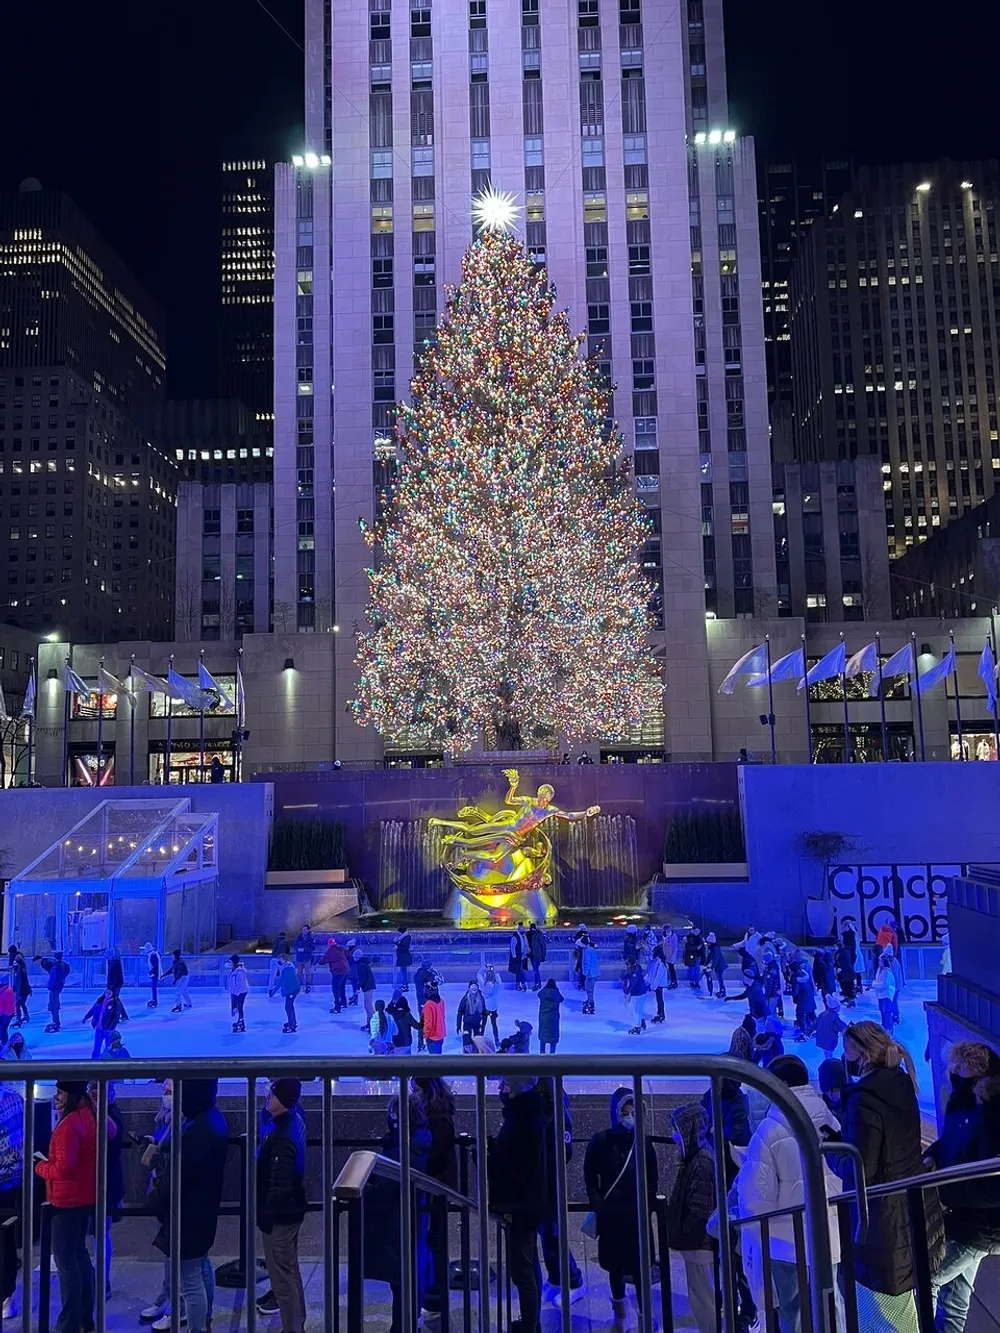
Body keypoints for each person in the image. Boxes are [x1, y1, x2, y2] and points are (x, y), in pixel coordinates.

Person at [836, 1020, 943, 1331]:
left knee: (885, 1316)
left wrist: (829, 1153)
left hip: (882, 1225)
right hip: (914, 1209)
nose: (846, 1059)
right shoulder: (901, 1082)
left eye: (848, 1052)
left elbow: (861, 1173)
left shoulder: (863, 1099)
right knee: (914, 1302)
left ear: (863, 1056)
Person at [735, 1055, 844, 1333]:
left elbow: (755, 1198)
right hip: (830, 1239)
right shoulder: (831, 1119)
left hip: (788, 1244)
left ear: (781, 1085)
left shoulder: (769, 1130)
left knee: (794, 1315)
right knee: (829, 1309)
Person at [926, 1041, 1000, 1333]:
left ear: (980, 1070)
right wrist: (933, 1152)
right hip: (965, 1215)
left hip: (984, 1223)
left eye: (962, 1065)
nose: (954, 1071)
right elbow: (955, 1141)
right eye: (954, 1065)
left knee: (927, 1280)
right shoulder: (961, 1100)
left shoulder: (993, 1106)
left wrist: (950, 1192)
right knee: (955, 1295)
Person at [35, 1081, 117, 1333]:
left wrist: (39, 1166)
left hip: (67, 1200)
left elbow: (64, 1168)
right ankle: (84, 1316)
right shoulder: (88, 1114)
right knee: (79, 1255)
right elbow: (111, 1131)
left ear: (71, 1095)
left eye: (60, 1093)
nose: (56, 1097)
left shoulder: (70, 1125)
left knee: (65, 1260)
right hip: (84, 1197)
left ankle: (68, 1323)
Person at [150, 1080, 228, 1333]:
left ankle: (198, 1327)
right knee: (201, 1266)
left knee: (190, 1280)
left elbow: (178, 1178)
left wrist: (157, 1187)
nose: (179, 1100)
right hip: (201, 1211)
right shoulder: (210, 1117)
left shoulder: (198, 1130)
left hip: (189, 1215)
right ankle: (204, 1322)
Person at [584, 1088, 658, 1325]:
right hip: (612, 1216)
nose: (629, 1117)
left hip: (636, 1216)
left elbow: (652, 1178)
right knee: (615, 1267)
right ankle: (620, 1312)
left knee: (640, 1269)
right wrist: (598, 1204)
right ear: (615, 1113)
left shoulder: (644, 1143)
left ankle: (644, 1315)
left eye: (633, 1112)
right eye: (624, 1112)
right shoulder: (600, 1141)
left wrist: (646, 1203)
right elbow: (590, 1177)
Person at [364, 1095, 432, 1332]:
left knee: (402, 1281)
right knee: (406, 1280)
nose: (389, 1117)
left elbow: (384, 1191)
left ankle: (403, 1327)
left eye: (393, 1113)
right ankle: (408, 1323)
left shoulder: (401, 1151)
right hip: (409, 1222)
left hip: (398, 1225)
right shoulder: (415, 1142)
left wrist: (364, 1189)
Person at [488, 1077, 548, 1333]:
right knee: (529, 1264)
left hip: (520, 1206)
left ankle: (529, 1326)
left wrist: (489, 1158)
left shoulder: (521, 1121)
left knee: (522, 1272)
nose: (502, 1089)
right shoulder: (529, 1114)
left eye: (506, 1085)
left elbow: (514, 1169)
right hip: (528, 1203)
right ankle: (531, 1323)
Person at [255, 1078, 308, 1332]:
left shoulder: (282, 1137)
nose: (267, 1096)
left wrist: (267, 1215)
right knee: (290, 1270)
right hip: (288, 1213)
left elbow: (279, 1184)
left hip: (279, 1218)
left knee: (282, 1279)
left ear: (283, 1100)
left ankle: (292, 1328)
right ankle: (297, 1323)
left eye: (272, 1094)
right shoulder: (292, 1122)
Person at [666, 1103, 717, 1333]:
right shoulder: (697, 1157)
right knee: (701, 1299)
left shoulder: (702, 1162)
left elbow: (700, 1212)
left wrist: (683, 1237)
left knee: (704, 1302)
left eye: (676, 1129)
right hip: (696, 1245)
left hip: (699, 1246)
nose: (673, 1135)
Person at [411, 1077, 457, 1327]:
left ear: (425, 1090)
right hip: (430, 1187)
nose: (412, 1094)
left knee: (433, 1243)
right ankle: (429, 1296)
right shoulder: (432, 1115)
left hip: (434, 1189)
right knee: (429, 1242)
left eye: (414, 1089)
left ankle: (434, 1299)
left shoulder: (439, 1120)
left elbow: (434, 1155)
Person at [537, 1079, 586, 1307]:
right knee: (545, 1231)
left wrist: (545, 1167)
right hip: (541, 1179)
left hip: (549, 1180)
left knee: (553, 1232)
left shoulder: (556, 1106)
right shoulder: (543, 1103)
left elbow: (565, 1149)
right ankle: (556, 1277)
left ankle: (574, 1280)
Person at [86, 1078, 125, 1301]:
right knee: (94, 1236)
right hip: (91, 1186)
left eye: (98, 1088)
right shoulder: (89, 1111)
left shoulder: (113, 1115)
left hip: (106, 1187)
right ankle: (98, 1279)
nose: (94, 1091)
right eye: (91, 1087)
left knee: (101, 1235)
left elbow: (112, 1139)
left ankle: (103, 1281)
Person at [0, 1078, 23, 1318]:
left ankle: (5, 1295)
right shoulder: (15, 1096)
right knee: (5, 1239)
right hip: (13, 1179)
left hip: (4, 1178)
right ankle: (7, 1296)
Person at [83, 987, 124, 1060]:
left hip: (107, 1029)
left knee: (108, 1046)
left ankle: (107, 1060)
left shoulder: (115, 1004)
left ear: (113, 994)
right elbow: (93, 1010)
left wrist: (111, 1027)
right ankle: (94, 1061)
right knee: (97, 1046)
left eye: (110, 993)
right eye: (107, 992)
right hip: (98, 1028)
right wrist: (86, 1017)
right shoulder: (100, 1001)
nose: (108, 994)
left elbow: (116, 1017)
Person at [36, 951, 70, 1032]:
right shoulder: (57, 965)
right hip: (54, 987)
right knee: (53, 1004)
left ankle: (56, 1022)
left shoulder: (55, 965)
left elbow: (57, 978)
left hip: (55, 987)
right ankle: (55, 1021)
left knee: (53, 1005)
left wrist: (52, 985)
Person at [321, 936, 350, 1013]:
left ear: (329, 944)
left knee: (335, 989)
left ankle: (337, 1007)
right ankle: (343, 1003)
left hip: (338, 972)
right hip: (346, 970)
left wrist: (317, 963)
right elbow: (348, 955)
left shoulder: (331, 951)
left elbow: (323, 961)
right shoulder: (341, 948)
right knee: (342, 987)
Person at [476, 962, 502, 1044]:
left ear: (486, 976)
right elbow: (499, 981)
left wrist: (485, 967)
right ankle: (497, 1040)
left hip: (485, 1009)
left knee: (483, 1025)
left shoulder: (483, 985)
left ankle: (480, 1040)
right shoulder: (497, 987)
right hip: (493, 1009)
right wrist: (495, 972)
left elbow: (479, 974)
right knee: (494, 1025)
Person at [873, 950, 898, 1034]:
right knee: (883, 1014)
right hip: (881, 995)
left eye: (880, 961)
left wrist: (874, 984)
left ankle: (889, 1031)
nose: (879, 962)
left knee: (886, 1014)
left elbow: (884, 984)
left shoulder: (887, 971)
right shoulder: (881, 970)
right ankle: (885, 1030)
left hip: (886, 995)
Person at [814, 993, 846, 1058]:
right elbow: (841, 1026)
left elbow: (814, 1024)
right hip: (829, 1041)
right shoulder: (834, 1017)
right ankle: (830, 1064)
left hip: (821, 1039)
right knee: (829, 1054)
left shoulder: (822, 1014)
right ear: (835, 1008)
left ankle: (828, 1061)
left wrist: (807, 1033)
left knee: (826, 1053)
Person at [791, 960, 817, 1040]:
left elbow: (795, 991)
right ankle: (819, 1028)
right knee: (811, 1014)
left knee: (799, 1015)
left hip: (802, 999)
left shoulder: (795, 977)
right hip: (810, 997)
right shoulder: (805, 974)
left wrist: (791, 993)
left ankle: (804, 1032)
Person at [537, 978, 564, 1053]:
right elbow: (562, 999)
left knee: (543, 1037)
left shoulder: (543, 993)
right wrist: (557, 990)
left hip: (543, 1018)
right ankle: (552, 1055)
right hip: (553, 1019)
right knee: (553, 1038)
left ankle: (542, 1054)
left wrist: (545, 987)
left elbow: (539, 994)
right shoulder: (556, 993)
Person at [456, 980, 486, 1049]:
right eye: (472, 986)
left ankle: (477, 1056)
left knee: (478, 1043)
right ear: (469, 988)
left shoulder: (481, 998)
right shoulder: (465, 998)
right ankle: (466, 1056)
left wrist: (483, 1025)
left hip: (477, 1023)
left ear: (478, 987)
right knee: (466, 1042)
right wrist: (458, 1025)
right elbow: (460, 1012)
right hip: (467, 1023)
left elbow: (484, 1012)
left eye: (475, 986)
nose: (474, 987)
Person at [225, 953, 250, 1033]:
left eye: (230, 962)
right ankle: (240, 1021)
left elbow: (240, 984)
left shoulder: (240, 972)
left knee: (239, 1007)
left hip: (241, 992)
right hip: (235, 992)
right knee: (235, 1008)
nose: (229, 963)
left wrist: (236, 993)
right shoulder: (232, 970)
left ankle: (241, 1022)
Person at [624, 958, 648, 1035]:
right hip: (642, 991)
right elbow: (628, 976)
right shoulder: (636, 968)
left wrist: (626, 991)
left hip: (638, 993)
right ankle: (642, 1022)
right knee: (640, 1008)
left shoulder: (635, 972)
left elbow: (632, 983)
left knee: (636, 1010)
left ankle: (637, 1027)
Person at [355, 948, 377, 1029]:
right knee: (367, 1005)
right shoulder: (363, 964)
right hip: (368, 986)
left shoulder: (361, 965)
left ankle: (374, 1022)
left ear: (357, 957)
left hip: (368, 987)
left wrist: (358, 988)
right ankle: (369, 1023)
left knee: (368, 1005)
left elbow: (362, 978)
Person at [421, 984, 446, 1054]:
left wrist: (425, 1036)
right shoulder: (441, 1001)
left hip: (433, 1036)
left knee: (434, 1060)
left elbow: (428, 1023)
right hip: (441, 1033)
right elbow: (443, 1016)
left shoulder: (428, 1005)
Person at [278, 957, 300, 1034]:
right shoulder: (288, 966)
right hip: (292, 989)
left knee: (288, 1007)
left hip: (292, 990)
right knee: (289, 1006)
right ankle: (292, 1022)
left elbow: (281, 981)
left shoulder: (287, 968)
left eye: (281, 959)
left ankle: (292, 1025)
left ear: (284, 960)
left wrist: (273, 991)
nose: (279, 961)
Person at [646, 945, 668, 1023]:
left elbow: (658, 976)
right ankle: (660, 1014)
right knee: (659, 999)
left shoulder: (660, 963)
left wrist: (653, 986)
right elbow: (652, 973)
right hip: (657, 985)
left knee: (659, 1000)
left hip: (659, 985)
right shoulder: (657, 962)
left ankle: (661, 1014)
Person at [581, 934, 600, 1015]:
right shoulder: (591, 949)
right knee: (589, 989)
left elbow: (587, 963)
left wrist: (585, 973)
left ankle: (591, 1005)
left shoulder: (587, 951)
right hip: (594, 972)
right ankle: (589, 1001)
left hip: (590, 974)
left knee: (589, 990)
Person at [683, 927, 706, 992]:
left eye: (698, 931)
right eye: (696, 931)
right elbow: (688, 947)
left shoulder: (700, 938)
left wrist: (703, 957)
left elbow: (702, 948)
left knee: (697, 969)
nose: (697, 932)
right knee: (692, 969)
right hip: (691, 956)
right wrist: (696, 948)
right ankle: (692, 982)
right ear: (692, 931)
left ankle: (697, 982)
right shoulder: (688, 938)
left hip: (698, 956)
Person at [293, 925, 315, 992]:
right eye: (303, 929)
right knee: (299, 973)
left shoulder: (311, 938)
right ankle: (297, 986)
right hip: (299, 958)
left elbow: (313, 948)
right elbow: (295, 945)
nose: (303, 931)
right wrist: (297, 949)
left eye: (305, 929)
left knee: (307, 972)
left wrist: (304, 949)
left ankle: (308, 985)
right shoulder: (298, 937)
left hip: (307, 959)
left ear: (308, 930)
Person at [705, 933, 727, 998]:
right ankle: (722, 990)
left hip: (720, 965)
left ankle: (722, 991)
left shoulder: (716, 948)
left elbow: (716, 959)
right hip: (718, 965)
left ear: (711, 942)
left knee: (720, 979)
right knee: (719, 978)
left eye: (708, 942)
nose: (707, 943)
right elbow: (709, 956)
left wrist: (712, 967)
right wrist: (706, 963)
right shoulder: (711, 948)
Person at [11, 952, 30, 1027]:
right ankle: (26, 1016)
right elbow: (17, 981)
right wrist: (14, 989)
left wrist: (23, 990)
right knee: (21, 1004)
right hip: (20, 991)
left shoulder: (21, 970)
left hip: (22, 991)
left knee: (18, 1004)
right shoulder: (18, 970)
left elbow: (23, 981)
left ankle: (18, 1020)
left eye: (16, 961)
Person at [509, 923, 528, 992]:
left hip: (523, 957)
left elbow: (525, 946)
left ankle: (518, 985)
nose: (524, 930)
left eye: (524, 929)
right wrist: (514, 956)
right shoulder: (515, 937)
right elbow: (512, 947)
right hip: (518, 957)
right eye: (522, 929)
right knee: (521, 971)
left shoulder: (523, 936)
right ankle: (522, 984)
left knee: (519, 971)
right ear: (519, 929)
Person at [527, 923, 547, 991]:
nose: (532, 930)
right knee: (535, 970)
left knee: (535, 970)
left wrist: (543, 956)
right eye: (531, 928)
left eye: (533, 928)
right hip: (531, 956)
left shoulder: (539, 935)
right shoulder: (528, 935)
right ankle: (538, 983)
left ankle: (537, 984)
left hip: (537, 955)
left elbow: (543, 946)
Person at [141, 942, 161, 1008]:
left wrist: (151, 972)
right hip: (154, 974)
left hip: (154, 974)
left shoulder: (152, 955)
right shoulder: (153, 954)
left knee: (153, 988)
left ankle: (155, 1000)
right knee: (153, 988)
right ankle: (154, 999)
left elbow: (155, 966)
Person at [267, 932, 288, 997]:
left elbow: (273, 949)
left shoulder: (275, 940)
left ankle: (270, 990)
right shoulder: (285, 941)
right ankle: (283, 990)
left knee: (272, 976)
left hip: (273, 959)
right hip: (281, 959)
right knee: (283, 975)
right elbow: (287, 951)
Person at [660, 924, 680, 989]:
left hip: (670, 956)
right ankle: (665, 981)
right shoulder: (663, 935)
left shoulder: (673, 936)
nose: (668, 930)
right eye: (666, 929)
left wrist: (673, 957)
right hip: (664, 955)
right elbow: (663, 944)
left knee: (672, 969)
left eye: (669, 929)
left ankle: (674, 982)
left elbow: (675, 947)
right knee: (664, 969)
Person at [394, 925, 413, 991]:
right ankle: (405, 984)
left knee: (404, 972)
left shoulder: (406, 938)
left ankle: (405, 985)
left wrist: (397, 944)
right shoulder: (402, 937)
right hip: (402, 957)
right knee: (403, 971)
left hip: (404, 957)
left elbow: (404, 948)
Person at [572, 926, 588, 991]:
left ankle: (581, 984)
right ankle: (583, 985)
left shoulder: (578, 936)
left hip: (580, 957)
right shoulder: (586, 936)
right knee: (583, 971)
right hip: (583, 957)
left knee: (581, 970)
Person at [0, 979, 14, 1048]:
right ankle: (3, 1041)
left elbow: (10, 1004)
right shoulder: (2, 991)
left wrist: (7, 1014)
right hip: (2, 1013)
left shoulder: (7, 991)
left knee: (2, 1028)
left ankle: (4, 1042)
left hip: (6, 1014)